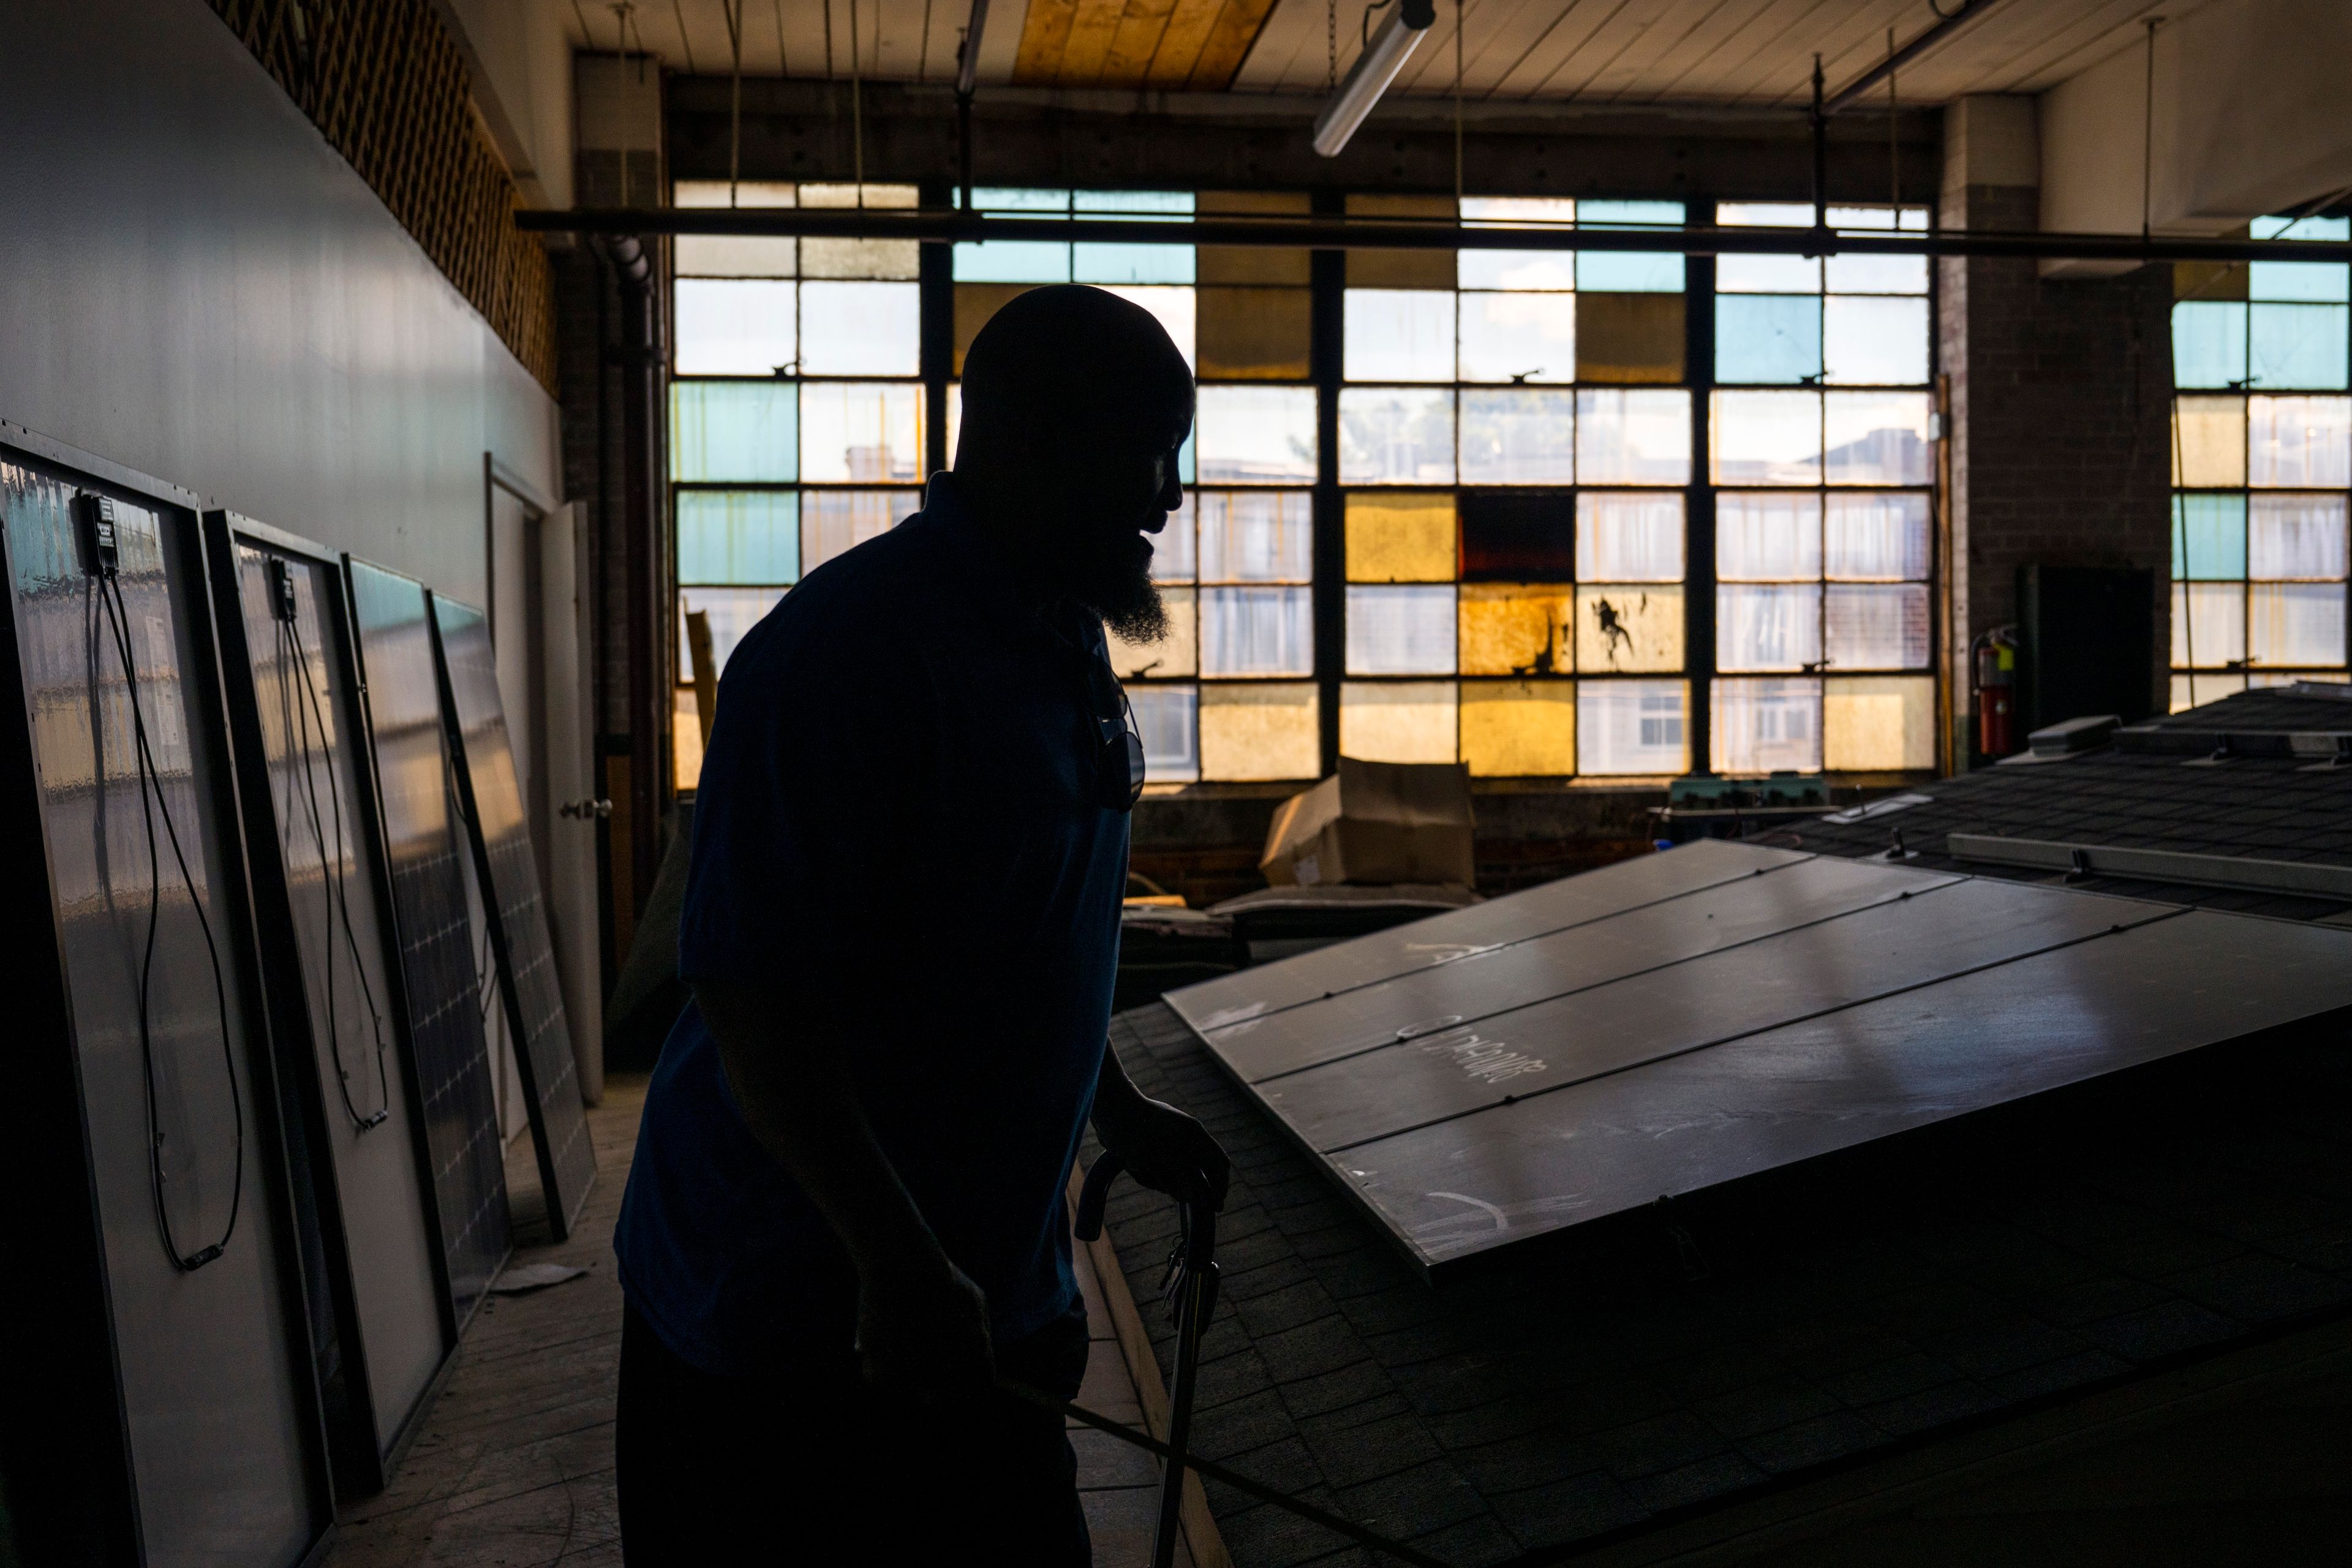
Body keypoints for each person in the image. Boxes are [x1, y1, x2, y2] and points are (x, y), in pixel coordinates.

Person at [612, 284, 1231, 1565]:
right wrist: (891, 1255)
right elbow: (751, 999)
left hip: (981, 1298)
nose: (1169, 494)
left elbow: (1028, 926)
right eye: (1146, 449)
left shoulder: (1063, 633)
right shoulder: (844, 660)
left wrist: (1110, 1102)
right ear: (1028, 442)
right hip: (800, 1323)